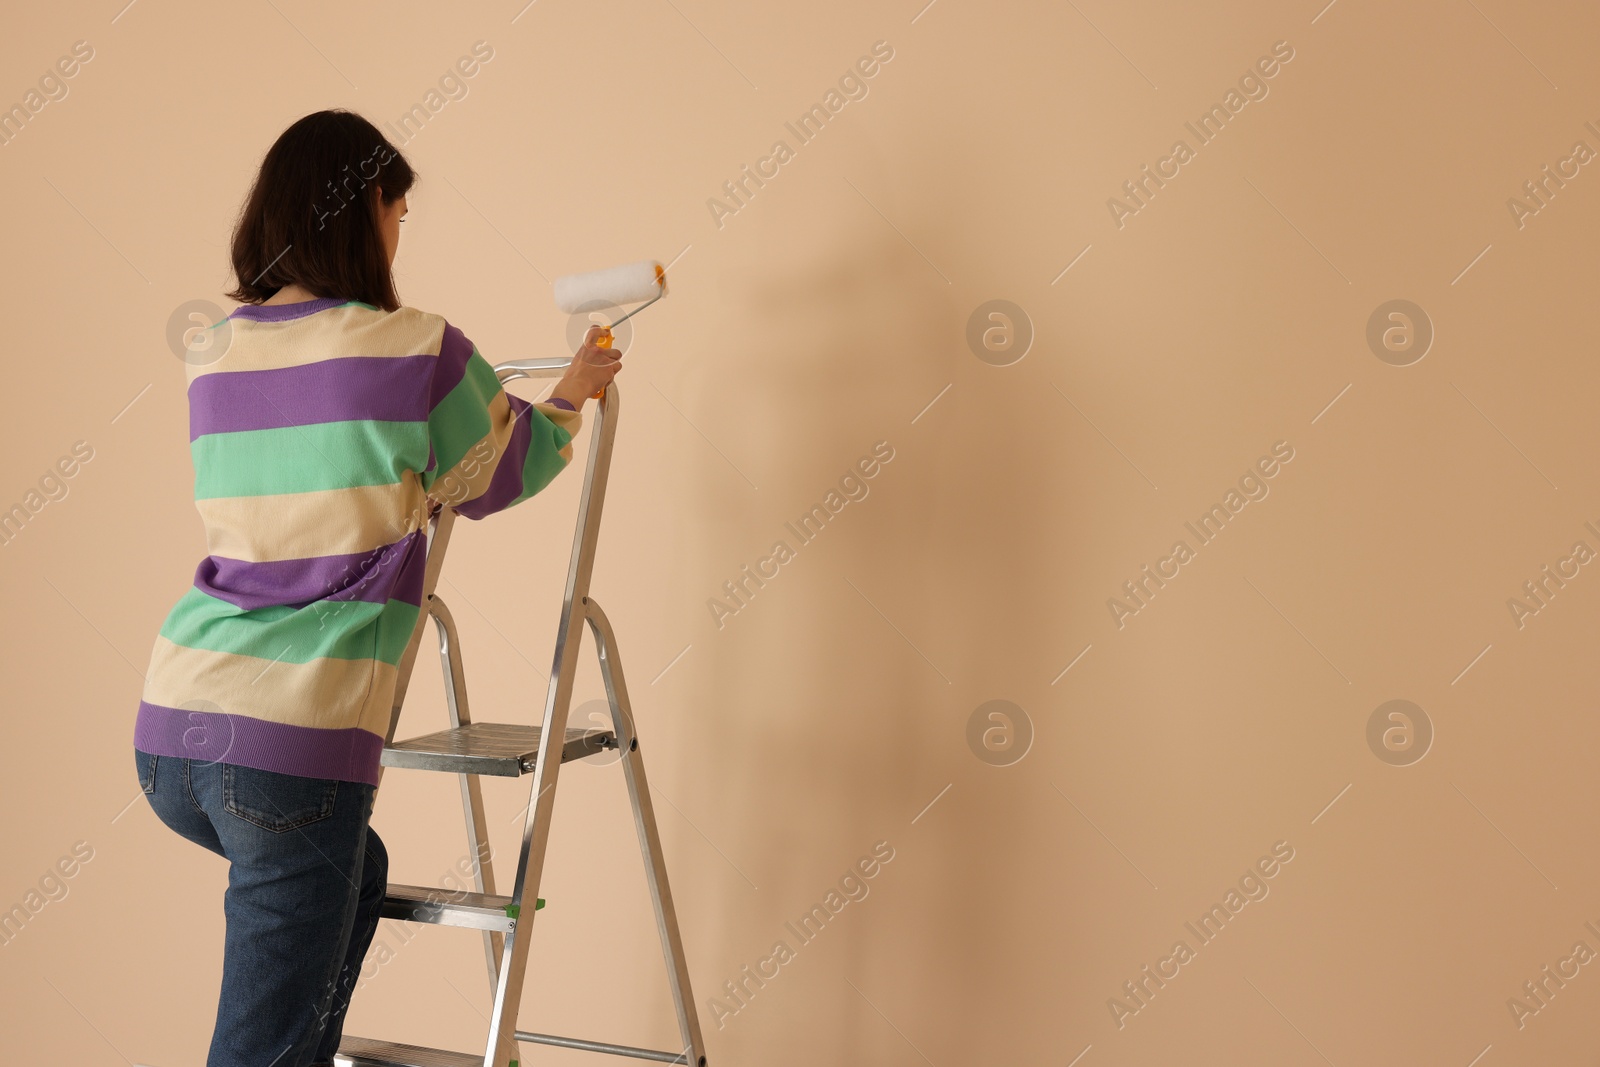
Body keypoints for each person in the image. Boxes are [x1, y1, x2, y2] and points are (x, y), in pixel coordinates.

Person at [131, 109, 620, 1067]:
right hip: (290, 744)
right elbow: (503, 466)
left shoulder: (216, 351)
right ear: (362, 213)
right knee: (259, 1051)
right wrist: (571, 395)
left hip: (171, 735)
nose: (401, 233)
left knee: (356, 879)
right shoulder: (413, 347)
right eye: (398, 211)